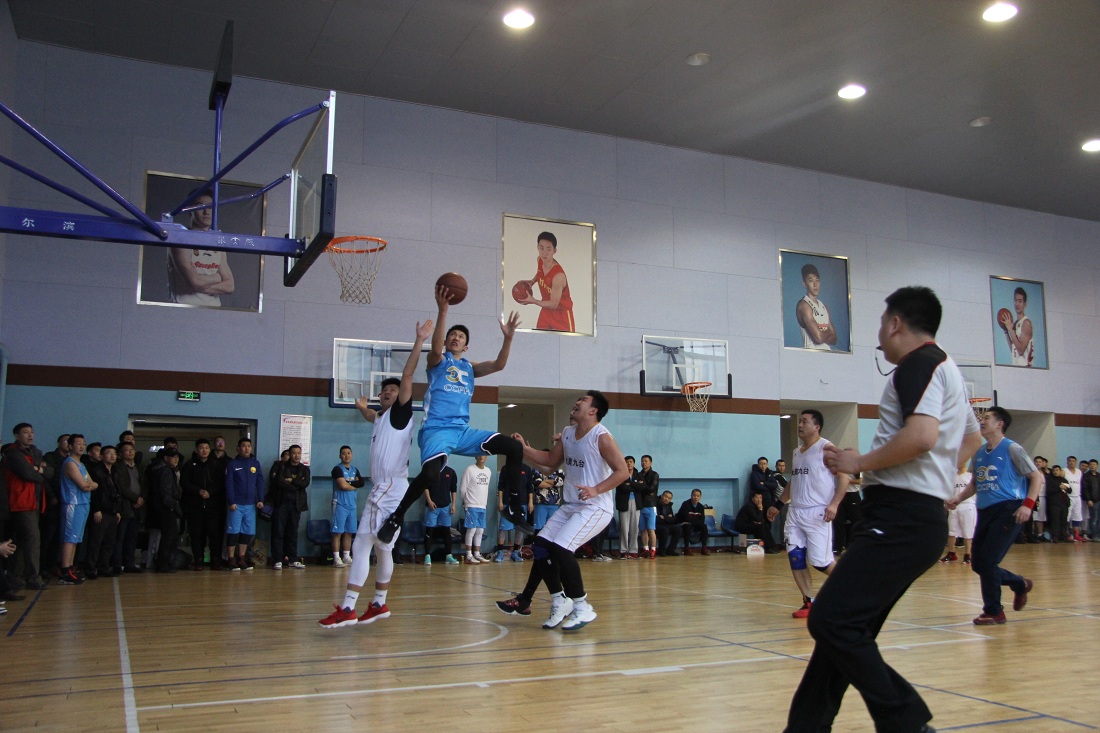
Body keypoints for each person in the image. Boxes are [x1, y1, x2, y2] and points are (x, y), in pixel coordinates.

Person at [785, 285, 982, 733]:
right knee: (844, 634)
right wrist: (933, 476)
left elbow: (922, 437)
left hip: (899, 520)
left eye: (880, 324)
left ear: (895, 324)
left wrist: (859, 463)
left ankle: (907, 722)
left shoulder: (916, 365)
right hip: (915, 520)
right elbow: (970, 438)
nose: (878, 335)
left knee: (830, 621)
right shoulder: (948, 370)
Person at [377, 284, 529, 543]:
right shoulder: (438, 362)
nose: (456, 338)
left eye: (460, 336)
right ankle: (396, 516)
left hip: (463, 432)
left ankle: (514, 506)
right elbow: (435, 349)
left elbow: (499, 364)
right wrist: (443, 310)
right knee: (430, 474)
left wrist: (508, 338)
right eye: (452, 336)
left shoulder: (470, 368)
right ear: (447, 341)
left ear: (466, 346)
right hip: (436, 430)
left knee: (514, 448)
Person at [319, 319, 431, 629]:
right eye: (383, 390)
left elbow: (407, 375)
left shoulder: (400, 413)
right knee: (383, 548)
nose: (387, 393)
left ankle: (348, 608)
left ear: (400, 396)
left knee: (361, 545)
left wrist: (419, 340)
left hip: (387, 487)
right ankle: (379, 604)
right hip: (393, 488)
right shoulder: (382, 418)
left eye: (392, 390)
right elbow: (371, 414)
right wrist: (360, 408)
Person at [495, 391, 628, 631]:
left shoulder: (601, 436)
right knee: (541, 547)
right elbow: (549, 462)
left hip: (595, 507)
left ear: (593, 411)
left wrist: (596, 489)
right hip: (571, 505)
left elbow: (623, 472)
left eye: (583, 401)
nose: (577, 402)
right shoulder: (567, 433)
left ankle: (582, 607)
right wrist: (523, 448)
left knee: (561, 548)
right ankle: (559, 600)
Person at [946, 407, 1042, 625]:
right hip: (985, 511)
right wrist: (958, 498)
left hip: (1008, 509)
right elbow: (974, 484)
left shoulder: (1012, 448)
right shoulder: (979, 452)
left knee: (988, 561)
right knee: (978, 564)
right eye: (981, 418)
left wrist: (1027, 505)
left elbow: (1037, 477)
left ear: (1000, 424)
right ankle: (1019, 583)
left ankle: (994, 611)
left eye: (987, 418)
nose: (982, 421)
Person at [768, 410, 849, 618]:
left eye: (805, 421)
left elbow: (844, 477)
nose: (800, 425)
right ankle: (808, 602)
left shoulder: (826, 448)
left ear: (817, 427)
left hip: (817, 513)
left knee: (821, 562)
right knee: (795, 558)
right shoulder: (797, 452)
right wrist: (778, 504)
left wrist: (834, 504)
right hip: (795, 512)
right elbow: (794, 481)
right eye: (800, 421)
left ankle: (852, 591)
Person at [3, 423, 50, 591]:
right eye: (25, 432)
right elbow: (29, 474)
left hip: (35, 501)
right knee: (31, 540)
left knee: (24, 541)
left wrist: (39, 470)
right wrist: (39, 471)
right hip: (21, 502)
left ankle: (17, 577)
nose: (30, 435)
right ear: (17, 436)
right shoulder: (13, 453)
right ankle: (32, 577)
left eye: (32, 432)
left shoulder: (35, 452)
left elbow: (50, 472)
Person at [167, 192, 235, 306]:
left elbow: (229, 286)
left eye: (210, 207)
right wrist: (217, 277)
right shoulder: (180, 240)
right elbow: (195, 281)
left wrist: (198, 285)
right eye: (201, 206)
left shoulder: (217, 242)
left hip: (214, 310)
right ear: (190, 210)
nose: (206, 211)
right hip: (184, 309)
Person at [516, 231, 575, 332]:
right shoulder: (540, 260)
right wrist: (532, 281)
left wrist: (533, 301)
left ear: (554, 251)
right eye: (541, 248)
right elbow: (540, 272)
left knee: (566, 341)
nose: (544, 252)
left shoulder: (558, 276)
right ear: (537, 247)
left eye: (548, 249)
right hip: (546, 311)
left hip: (562, 314)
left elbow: (553, 304)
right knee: (539, 338)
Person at [59, 434, 97, 585]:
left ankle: (70, 567)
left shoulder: (81, 464)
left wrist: (91, 485)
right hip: (73, 504)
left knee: (75, 539)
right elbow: (84, 485)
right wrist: (90, 485)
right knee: (69, 538)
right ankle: (64, 571)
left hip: (83, 503)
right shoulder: (70, 463)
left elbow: (94, 484)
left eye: (84, 443)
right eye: (78, 443)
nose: (82, 446)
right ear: (70, 446)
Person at [181, 438, 224, 570]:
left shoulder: (216, 465)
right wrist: (198, 491)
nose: (204, 450)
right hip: (195, 506)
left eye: (206, 448)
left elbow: (221, 483)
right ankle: (198, 560)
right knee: (197, 535)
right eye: (201, 448)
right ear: (196, 450)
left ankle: (215, 560)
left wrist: (210, 492)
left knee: (214, 534)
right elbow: (184, 483)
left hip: (213, 506)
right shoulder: (189, 465)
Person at [267, 445, 311, 569]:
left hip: (296, 504)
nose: (297, 455)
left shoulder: (304, 469)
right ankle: (277, 559)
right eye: (294, 453)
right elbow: (278, 481)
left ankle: (292, 558)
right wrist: (296, 484)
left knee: (293, 532)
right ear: (290, 454)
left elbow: (305, 483)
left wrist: (291, 480)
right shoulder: (281, 466)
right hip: (281, 503)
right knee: (278, 531)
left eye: (299, 453)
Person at [225, 438, 264, 571]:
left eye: (248, 446)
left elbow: (260, 482)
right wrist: (231, 501)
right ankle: (231, 559)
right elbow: (229, 483)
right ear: (238, 448)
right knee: (233, 532)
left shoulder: (255, 464)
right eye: (243, 446)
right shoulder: (232, 464)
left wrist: (260, 499)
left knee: (247, 533)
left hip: (250, 505)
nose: (246, 448)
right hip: (236, 504)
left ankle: (241, 558)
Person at [85, 444, 121, 579]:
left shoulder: (115, 471)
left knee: (109, 541)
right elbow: (94, 493)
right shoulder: (96, 471)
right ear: (101, 456)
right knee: (96, 541)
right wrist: (96, 509)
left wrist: (117, 510)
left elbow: (116, 491)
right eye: (108, 453)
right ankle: (90, 568)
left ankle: (103, 567)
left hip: (112, 510)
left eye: (114, 453)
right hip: (101, 510)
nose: (112, 456)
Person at [148, 448, 183, 573]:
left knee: (167, 536)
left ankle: (163, 562)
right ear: (166, 458)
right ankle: (163, 563)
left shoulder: (156, 469)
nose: (176, 460)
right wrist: (172, 506)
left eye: (177, 457)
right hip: (166, 509)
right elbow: (166, 492)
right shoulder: (166, 471)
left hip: (159, 508)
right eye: (173, 457)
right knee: (169, 537)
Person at [112, 441, 144, 573]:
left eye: (132, 449)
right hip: (124, 506)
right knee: (120, 536)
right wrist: (135, 498)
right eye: (127, 450)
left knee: (132, 536)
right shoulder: (118, 467)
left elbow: (145, 485)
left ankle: (129, 563)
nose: (130, 452)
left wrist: (141, 498)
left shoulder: (139, 467)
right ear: (120, 454)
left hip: (138, 506)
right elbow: (121, 487)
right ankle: (117, 564)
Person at [330, 445, 365, 567]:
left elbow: (362, 483)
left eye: (348, 453)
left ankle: (346, 556)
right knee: (337, 532)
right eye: (344, 453)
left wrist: (349, 483)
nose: (346, 455)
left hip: (352, 505)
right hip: (340, 504)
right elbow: (342, 485)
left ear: (351, 455)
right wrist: (353, 484)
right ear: (340, 456)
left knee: (349, 532)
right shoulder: (337, 469)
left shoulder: (355, 469)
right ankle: (336, 558)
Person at [40, 433, 69, 578]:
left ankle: (53, 564)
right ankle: (42, 566)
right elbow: (45, 479)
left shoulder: (71, 460)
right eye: (65, 441)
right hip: (52, 501)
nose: (68, 443)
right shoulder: (50, 457)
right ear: (59, 443)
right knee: (48, 535)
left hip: (66, 501)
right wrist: (51, 496)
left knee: (59, 535)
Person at [494, 463, 533, 562]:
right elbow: (500, 486)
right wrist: (500, 501)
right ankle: (500, 552)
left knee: (520, 528)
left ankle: (515, 552)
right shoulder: (505, 468)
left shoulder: (527, 469)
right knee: (503, 528)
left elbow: (530, 487)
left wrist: (530, 502)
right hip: (508, 502)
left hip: (522, 503)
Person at [423, 463, 459, 565]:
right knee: (429, 530)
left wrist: (453, 504)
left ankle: (448, 555)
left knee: (446, 531)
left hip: (445, 506)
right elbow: (425, 487)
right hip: (432, 507)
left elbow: (453, 490)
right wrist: (429, 501)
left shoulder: (451, 472)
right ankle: (427, 556)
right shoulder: (430, 470)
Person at [796, 263, 837, 350]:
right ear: (805, 284)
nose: (815, 284)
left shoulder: (823, 306)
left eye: (817, 280)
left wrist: (822, 334)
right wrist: (829, 332)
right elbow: (818, 339)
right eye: (811, 280)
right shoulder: (804, 305)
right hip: (812, 355)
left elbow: (834, 339)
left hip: (828, 354)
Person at [940, 465, 975, 564]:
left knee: (967, 531)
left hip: (967, 505)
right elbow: (947, 492)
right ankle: (951, 553)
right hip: (954, 506)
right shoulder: (952, 477)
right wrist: (947, 503)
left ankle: (968, 555)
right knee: (951, 531)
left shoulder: (970, 475)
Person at [460, 455, 491, 563]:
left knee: (480, 530)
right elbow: (463, 488)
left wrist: (484, 503)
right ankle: (469, 555)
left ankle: (477, 554)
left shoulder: (488, 471)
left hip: (482, 505)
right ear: (475, 456)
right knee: (471, 529)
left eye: (483, 454)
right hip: (471, 504)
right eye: (479, 454)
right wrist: (466, 502)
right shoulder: (470, 469)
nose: (481, 456)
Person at [998, 286, 1034, 367]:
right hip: (1016, 367)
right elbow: (1014, 350)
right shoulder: (1015, 324)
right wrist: (1006, 331)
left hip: (1026, 368)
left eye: (1020, 301)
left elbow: (1020, 351)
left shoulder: (1026, 323)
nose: (1017, 304)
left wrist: (1011, 330)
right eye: (1015, 300)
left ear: (1024, 304)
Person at [615, 456, 641, 559]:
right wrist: (635, 485)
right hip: (624, 504)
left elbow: (643, 487)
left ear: (634, 464)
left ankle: (633, 550)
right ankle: (623, 551)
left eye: (631, 462)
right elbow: (623, 488)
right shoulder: (620, 474)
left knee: (635, 528)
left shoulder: (638, 475)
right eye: (626, 462)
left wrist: (631, 484)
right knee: (624, 528)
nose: (629, 464)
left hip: (636, 503)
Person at [637, 455, 659, 558]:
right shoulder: (639, 474)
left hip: (650, 505)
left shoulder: (654, 475)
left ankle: (653, 549)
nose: (644, 463)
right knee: (643, 529)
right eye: (642, 461)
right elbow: (637, 487)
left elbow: (651, 489)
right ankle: (645, 549)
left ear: (650, 463)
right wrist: (642, 487)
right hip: (641, 505)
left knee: (651, 529)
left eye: (646, 461)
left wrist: (642, 485)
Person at [677, 489, 709, 555]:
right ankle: (686, 548)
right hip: (686, 524)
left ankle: (704, 548)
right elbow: (685, 518)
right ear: (691, 495)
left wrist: (694, 521)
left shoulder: (701, 507)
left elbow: (702, 520)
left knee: (704, 527)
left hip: (695, 524)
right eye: (694, 495)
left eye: (698, 496)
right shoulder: (685, 504)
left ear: (700, 497)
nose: (696, 497)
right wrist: (695, 520)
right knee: (687, 526)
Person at [1064, 455, 1086, 541]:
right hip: (1068, 497)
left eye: (1073, 461)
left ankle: (1076, 534)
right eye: (1070, 461)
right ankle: (1067, 534)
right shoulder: (1064, 471)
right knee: (1067, 516)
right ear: (1067, 462)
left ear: (1076, 462)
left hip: (1077, 497)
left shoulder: (1079, 472)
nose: (1071, 462)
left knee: (1077, 516)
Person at [654, 490, 683, 556]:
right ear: (662, 496)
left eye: (669, 498)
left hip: (665, 524)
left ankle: (671, 550)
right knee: (665, 530)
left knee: (678, 529)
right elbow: (656, 519)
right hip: (656, 525)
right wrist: (667, 518)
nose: (667, 499)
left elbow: (672, 520)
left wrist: (664, 517)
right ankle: (662, 551)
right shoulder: (655, 504)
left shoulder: (669, 506)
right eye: (665, 496)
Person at [1084, 459, 1100, 540]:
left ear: (1097, 466)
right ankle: (1093, 535)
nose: (1092, 466)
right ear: (1089, 466)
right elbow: (1085, 489)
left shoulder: (1098, 475)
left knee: (1098, 519)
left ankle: (1098, 534)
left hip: (1099, 499)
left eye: (1094, 464)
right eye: (1091, 464)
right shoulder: (1086, 476)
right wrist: (1088, 499)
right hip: (1092, 500)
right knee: (1093, 518)